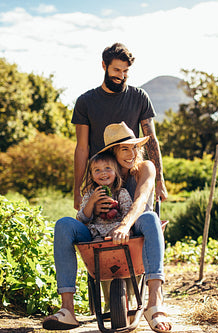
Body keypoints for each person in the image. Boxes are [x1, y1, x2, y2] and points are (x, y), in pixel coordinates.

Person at [43, 122, 171, 333]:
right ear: (113, 151)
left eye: (134, 147)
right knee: (63, 224)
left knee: (150, 217)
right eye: (124, 149)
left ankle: (154, 304)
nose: (132, 153)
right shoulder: (99, 174)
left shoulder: (145, 167)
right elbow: (83, 214)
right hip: (97, 233)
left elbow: (140, 201)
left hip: (136, 230)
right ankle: (67, 310)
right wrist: (93, 207)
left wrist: (123, 226)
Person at [72, 42, 167, 212]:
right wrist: (77, 190)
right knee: (101, 230)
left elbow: (151, 140)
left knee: (140, 222)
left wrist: (159, 181)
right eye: (116, 70)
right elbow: (82, 148)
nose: (121, 76)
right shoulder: (85, 102)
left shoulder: (139, 97)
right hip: (101, 177)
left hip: (132, 174)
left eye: (125, 71)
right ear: (104, 66)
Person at [77, 152, 133, 239]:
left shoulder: (121, 193)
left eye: (107, 168)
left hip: (116, 229)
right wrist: (92, 201)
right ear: (92, 176)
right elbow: (82, 219)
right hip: (96, 232)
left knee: (117, 234)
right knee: (96, 242)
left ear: (116, 172)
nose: (103, 173)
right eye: (97, 170)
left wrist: (115, 210)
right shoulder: (90, 194)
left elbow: (127, 214)